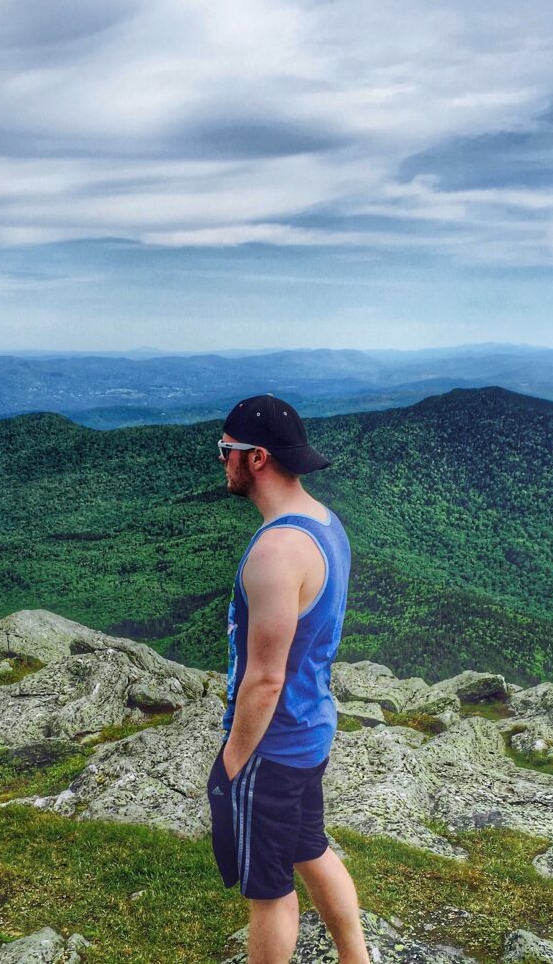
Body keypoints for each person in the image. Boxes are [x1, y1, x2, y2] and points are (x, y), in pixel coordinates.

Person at [208, 393, 370, 964]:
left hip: (272, 749)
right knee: (311, 848)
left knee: (270, 894)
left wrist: (232, 763)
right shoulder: (325, 523)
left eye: (226, 449)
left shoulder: (276, 551)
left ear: (256, 458)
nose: (221, 459)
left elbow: (264, 680)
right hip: (311, 730)